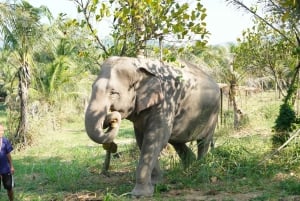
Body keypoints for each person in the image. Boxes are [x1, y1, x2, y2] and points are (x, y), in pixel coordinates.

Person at [0, 124, 14, 201]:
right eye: (0, 130)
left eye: (3, 130)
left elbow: (8, 155)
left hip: (5, 169)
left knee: (9, 188)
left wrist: (11, 166)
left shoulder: (5, 141)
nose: (2, 132)